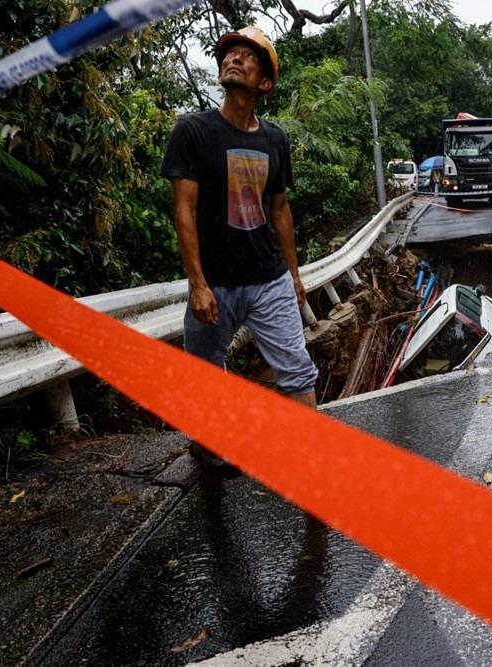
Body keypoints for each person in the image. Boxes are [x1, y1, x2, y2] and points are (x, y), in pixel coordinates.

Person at [161, 26, 318, 467]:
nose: (235, 59)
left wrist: (294, 276)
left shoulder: (275, 139)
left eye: (248, 56)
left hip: (268, 278)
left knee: (296, 369)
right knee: (208, 372)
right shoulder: (193, 131)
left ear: (264, 83)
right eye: (230, 53)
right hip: (216, 282)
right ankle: (209, 449)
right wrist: (198, 284)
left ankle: (315, 464)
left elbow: (281, 210)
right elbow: (184, 210)